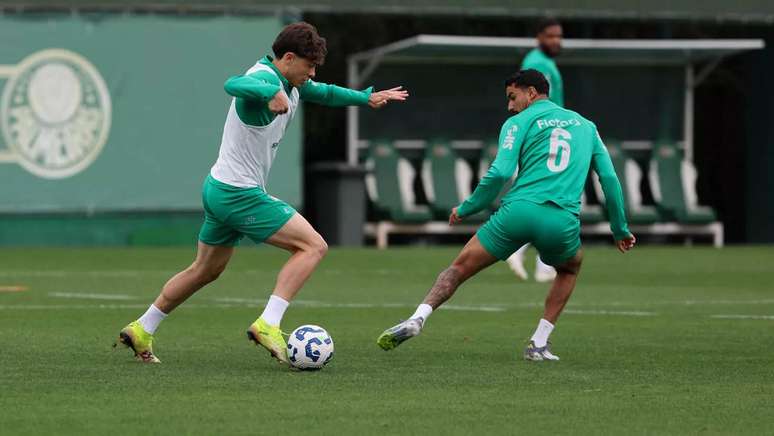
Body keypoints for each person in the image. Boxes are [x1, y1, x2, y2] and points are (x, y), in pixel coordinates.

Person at [115, 22, 408, 364]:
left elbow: (325, 92)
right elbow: (232, 84)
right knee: (313, 246)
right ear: (287, 58)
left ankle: (142, 328)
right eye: (309, 65)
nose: (312, 72)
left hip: (219, 188)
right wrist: (269, 93)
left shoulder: (289, 82)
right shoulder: (268, 80)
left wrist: (366, 97)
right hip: (240, 194)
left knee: (205, 271)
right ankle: (268, 323)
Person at [376, 69, 634, 361]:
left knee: (458, 268)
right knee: (569, 268)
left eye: (513, 97)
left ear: (532, 93)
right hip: (561, 220)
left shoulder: (518, 122)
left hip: (518, 212)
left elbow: (500, 172)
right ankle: (538, 344)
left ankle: (418, 317)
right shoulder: (588, 127)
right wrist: (620, 228)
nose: (510, 105)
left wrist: (467, 208)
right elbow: (610, 180)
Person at [508, 17, 565, 282]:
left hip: (550, 138)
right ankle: (518, 249)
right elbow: (527, 103)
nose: (556, 41)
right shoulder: (536, 63)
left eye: (559, 36)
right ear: (539, 37)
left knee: (547, 200)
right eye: (551, 36)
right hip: (541, 141)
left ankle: (543, 266)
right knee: (546, 200)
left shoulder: (548, 63)